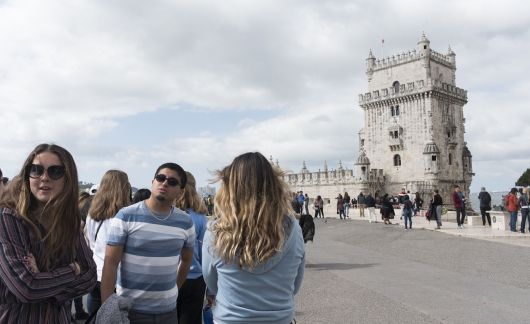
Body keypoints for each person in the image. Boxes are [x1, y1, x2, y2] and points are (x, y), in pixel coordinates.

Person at [202, 152, 305, 323]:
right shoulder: (293, 228)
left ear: (229, 187)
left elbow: (212, 282)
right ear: (273, 184)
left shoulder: (215, 230)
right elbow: (295, 284)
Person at [0, 143, 97, 323]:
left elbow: (90, 277)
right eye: (36, 170)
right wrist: (70, 270)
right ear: (27, 175)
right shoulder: (8, 217)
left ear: (67, 178)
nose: (44, 177)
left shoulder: (69, 222)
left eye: (55, 171)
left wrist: (42, 279)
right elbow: (26, 288)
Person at [100, 163, 195, 323]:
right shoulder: (126, 216)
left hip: (168, 312)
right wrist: (108, 310)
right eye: (160, 178)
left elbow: (186, 260)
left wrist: (173, 290)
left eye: (172, 182)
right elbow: (110, 263)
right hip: (130, 310)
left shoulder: (185, 222)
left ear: (181, 191)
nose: (164, 183)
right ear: (153, 182)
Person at [85, 170, 132, 316]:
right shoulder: (128, 216)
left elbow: (90, 242)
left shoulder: (93, 215)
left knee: (96, 315)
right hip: (119, 279)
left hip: (97, 273)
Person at [175, 172, 208, 324]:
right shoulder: (200, 217)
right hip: (195, 277)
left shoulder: (169, 214)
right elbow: (205, 252)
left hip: (170, 276)